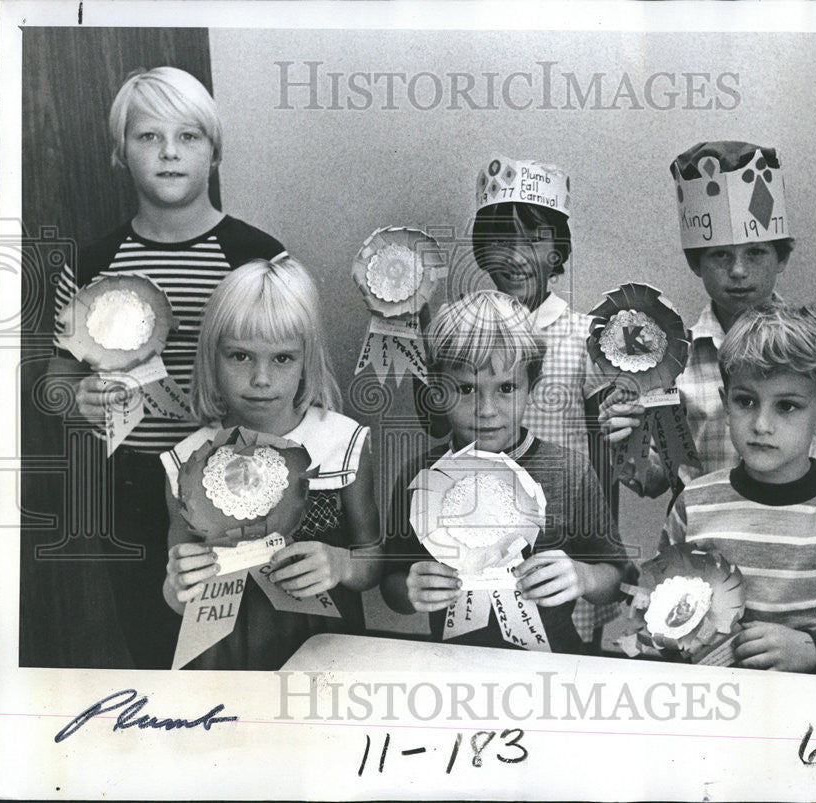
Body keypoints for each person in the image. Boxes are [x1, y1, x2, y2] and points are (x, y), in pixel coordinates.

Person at [49, 66, 289, 667]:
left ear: (215, 150)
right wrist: (75, 397)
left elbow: (297, 374)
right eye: (147, 137)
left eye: (189, 137)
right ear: (118, 152)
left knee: (248, 649)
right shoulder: (90, 264)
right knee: (158, 648)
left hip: (244, 483)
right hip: (132, 484)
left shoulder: (258, 256)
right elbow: (57, 377)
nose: (169, 153)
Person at [599, 141, 816, 500]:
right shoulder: (672, 361)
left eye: (756, 253)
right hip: (703, 540)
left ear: (782, 258)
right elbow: (657, 477)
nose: (739, 271)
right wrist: (622, 442)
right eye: (721, 256)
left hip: (802, 537)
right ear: (697, 264)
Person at [660, 302, 816, 674]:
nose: (762, 424)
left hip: (812, 719)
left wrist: (813, 650)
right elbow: (659, 611)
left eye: (787, 407)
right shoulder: (693, 505)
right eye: (746, 401)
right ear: (725, 404)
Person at [161, 258, 381, 670]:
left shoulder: (342, 443)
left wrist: (342, 564)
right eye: (240, 356)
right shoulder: (185, 461)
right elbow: (178, 593)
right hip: (223, 657)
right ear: (213, 357)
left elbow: (373, 556)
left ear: (306, 360)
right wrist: (178, 583)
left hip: (324, 651)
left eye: (282, 359)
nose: (261, 378)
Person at [380, 291, 628, 654]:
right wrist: (409, 589)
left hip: (553, 667)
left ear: (531, 386)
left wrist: (584, 575)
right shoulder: (420, 476)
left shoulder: (569, 471)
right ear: (437, 390)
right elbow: (391, 583)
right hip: (454, 666)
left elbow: (615, 576)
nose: (486, 410)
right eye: (465, 389)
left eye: (506, 388)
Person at [471, 156, 618, 649]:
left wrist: (594, 560)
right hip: (477, 541)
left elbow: (608, 452)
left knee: (566, 659)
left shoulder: (584, 337)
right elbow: (436, 428)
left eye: (533, 240)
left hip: (562, 547)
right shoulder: (467, 335)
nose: (516, 257)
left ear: (558, 251)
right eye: (500, 241)